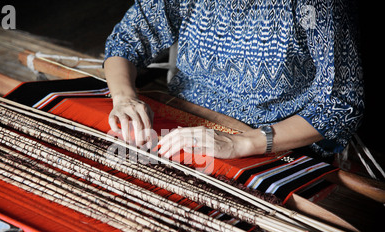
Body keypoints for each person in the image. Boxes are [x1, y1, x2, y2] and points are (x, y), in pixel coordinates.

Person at [103, 0, 364, 159]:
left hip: (272, 141)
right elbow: (126, 41)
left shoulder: (317, 4)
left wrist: (242, 143)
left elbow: (340, 103)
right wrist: (124, 97)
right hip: (183, 122)